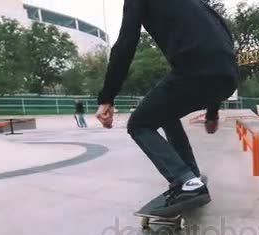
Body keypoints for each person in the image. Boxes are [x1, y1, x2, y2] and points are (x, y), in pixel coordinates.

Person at [96, 0, 238, 217]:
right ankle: (191, 175)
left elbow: (126, 43)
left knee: (139, 124)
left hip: (194, 70)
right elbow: (218, 42)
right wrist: (212, 111)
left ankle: (187, 183)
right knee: (165, 114)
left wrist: (107, 97)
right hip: (228, 74)